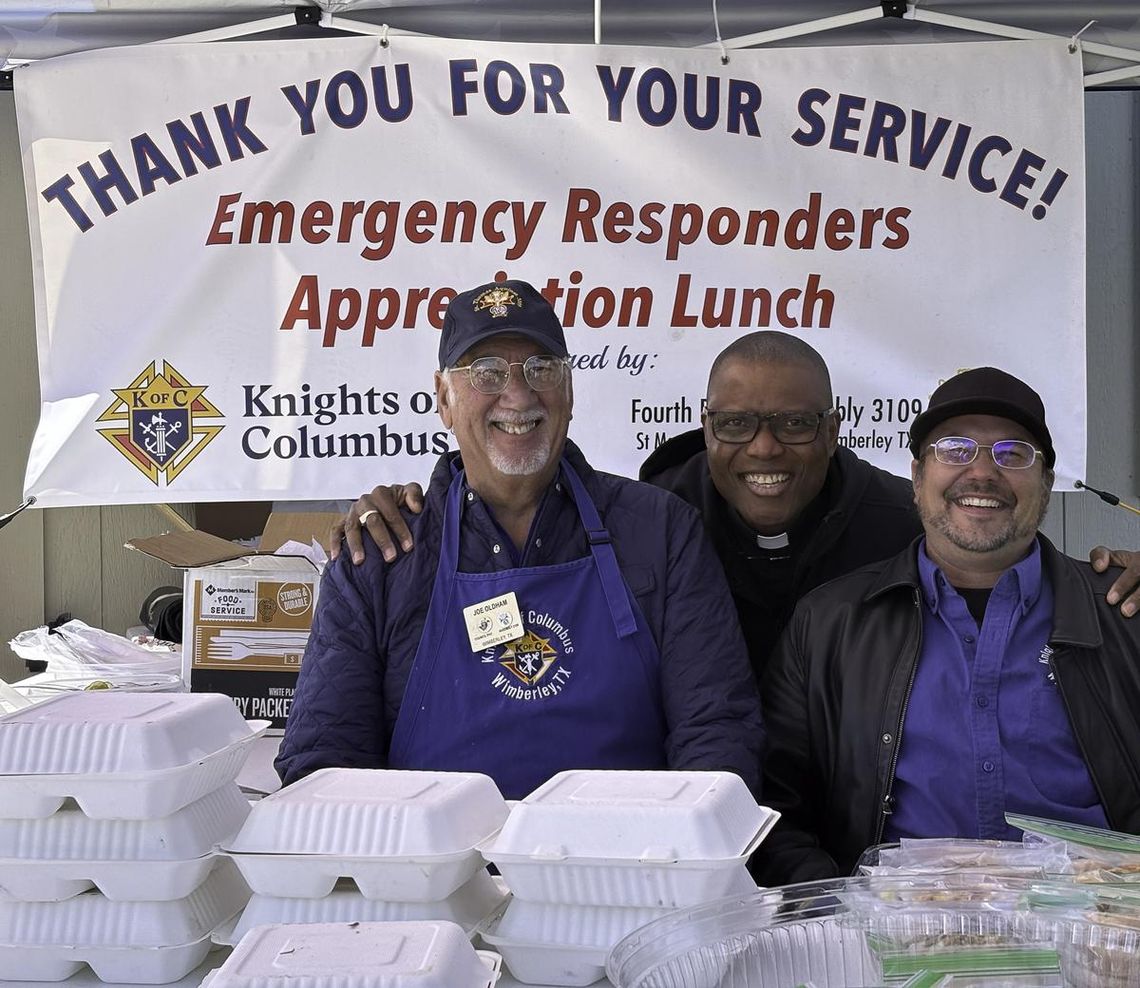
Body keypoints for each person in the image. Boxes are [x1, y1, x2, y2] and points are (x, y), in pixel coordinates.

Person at [331, 332, 1140, 684]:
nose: (763, 450)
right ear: (705, 426)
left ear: (832, 431)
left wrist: (1113, 591)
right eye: (737, 425)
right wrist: (416, 501)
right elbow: (517, 522)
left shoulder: (906, 520)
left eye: (792, 425)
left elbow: (997, 546)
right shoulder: (654, 522)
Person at [276, 279, 764, 799]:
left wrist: (676, 854)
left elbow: (717, 731)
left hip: (621, 866)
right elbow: (324, 760)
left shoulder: (662, 531)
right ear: (443, 397)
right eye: (486, 372)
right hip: (436, 873)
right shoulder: (381, 554)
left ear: (570, 391)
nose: (518, 394)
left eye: (541, 369)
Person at [755, 367, 1140, 886]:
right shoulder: (828, 624)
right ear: (917, 478)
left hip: (1090, 933)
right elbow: (775, 808)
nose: (982, 472)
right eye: (955, 450)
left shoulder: (1125, 612)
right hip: (898, 940)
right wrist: (841, 907)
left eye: (1012, 454)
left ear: (1046, 484)